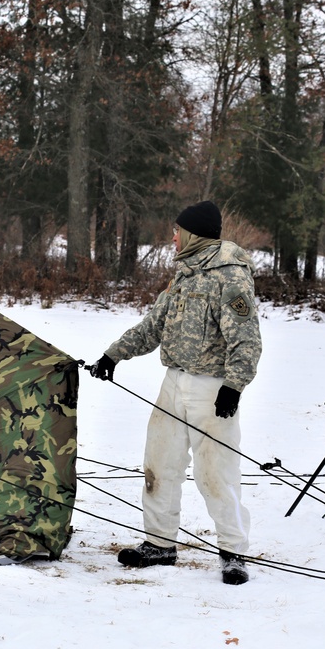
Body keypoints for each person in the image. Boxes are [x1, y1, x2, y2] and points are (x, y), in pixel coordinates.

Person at [89, 200, 262, 585]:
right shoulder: (184, 273)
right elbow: (154, 326)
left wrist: (233, 386)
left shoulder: (230, 275)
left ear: (193, 233)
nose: (172, 236)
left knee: (216, 471)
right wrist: (113, 354)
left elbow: (247, 339)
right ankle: (160, 544)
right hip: (174, 382)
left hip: (213, 388)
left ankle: (233, 552)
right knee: (160, 463)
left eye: (177, 230)